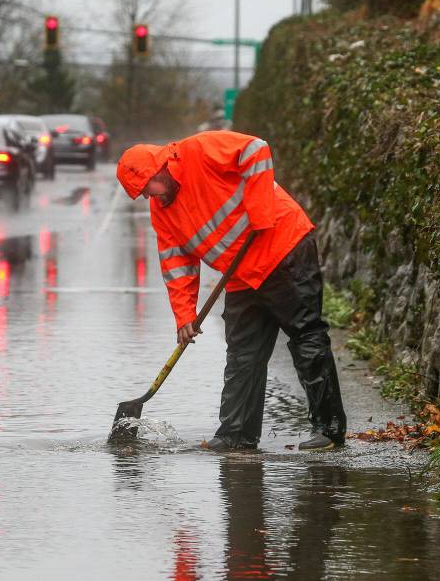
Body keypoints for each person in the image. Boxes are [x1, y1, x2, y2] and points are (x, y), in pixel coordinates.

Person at [116, 131, 346, 451]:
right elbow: (176, 264)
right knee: (242, 354)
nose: (147, 197)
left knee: (306, 335)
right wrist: (184, 316)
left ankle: (329, 429)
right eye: (141, 193)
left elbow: (256, 149)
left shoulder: (199, 150)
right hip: (240, 274)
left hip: (283, 248)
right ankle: (236, 435)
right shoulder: (162, 210)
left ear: (161, 168)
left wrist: (260, 209)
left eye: (146, 188)